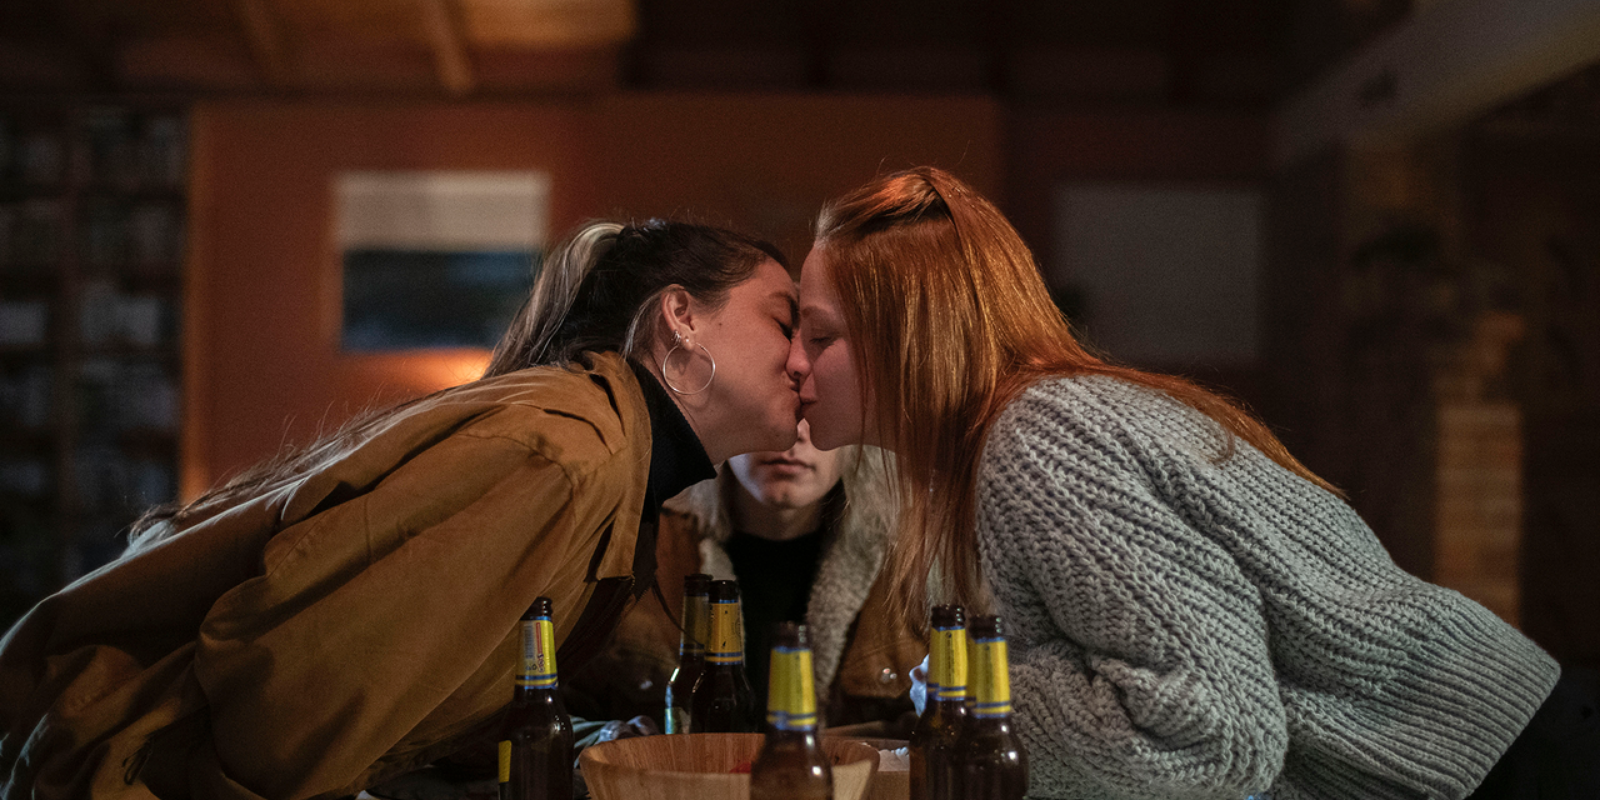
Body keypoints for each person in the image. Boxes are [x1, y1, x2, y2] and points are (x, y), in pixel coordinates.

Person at [787, 167, 1596, 799]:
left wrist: (967, 699)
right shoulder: (1021, 432)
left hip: (1499, 764)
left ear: (913, 339)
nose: (793, 362)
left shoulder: (1040, 439)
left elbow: (1208, 732)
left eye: (819, 336)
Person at [0, 219, 807, 800]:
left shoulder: (608, 455)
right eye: (783, 321)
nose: (803, 358)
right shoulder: (563, 456)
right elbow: (284, 714)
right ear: (680, 317)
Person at [563, 419, 924, 739]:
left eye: (815, 412)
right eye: (775, 410)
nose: (792, 433)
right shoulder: (642, 549)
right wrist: (615, 738)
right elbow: (543, 712)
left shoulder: (911, 564)